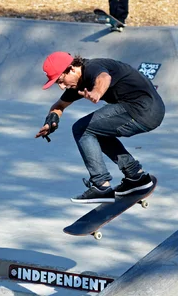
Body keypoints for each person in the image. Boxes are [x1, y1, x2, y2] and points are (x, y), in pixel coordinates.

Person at [35, 52, 165, 204]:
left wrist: (97, 92)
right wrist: (51, 120)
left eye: (60, 80)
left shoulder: (92, 68)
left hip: (141, 109)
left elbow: (104, 78)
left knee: (81, 129)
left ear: (71, 69)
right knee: (97, 131)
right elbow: (59, 106)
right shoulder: (76, 82)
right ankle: (136, 176)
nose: (62, 86)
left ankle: (100, 185)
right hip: (150, 111)